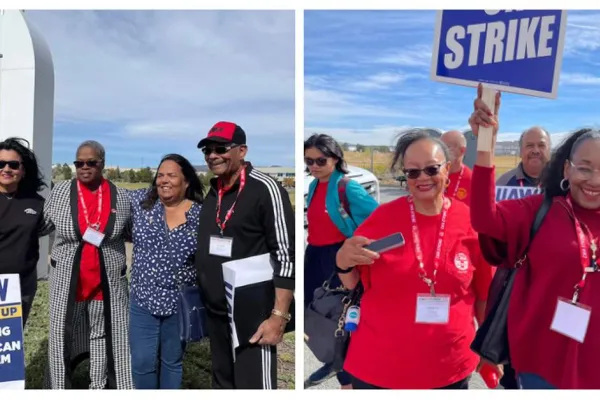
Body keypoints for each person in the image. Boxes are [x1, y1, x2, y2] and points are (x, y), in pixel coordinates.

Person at [334, 129, 497, 389]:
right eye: (412, 172)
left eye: (431, 169)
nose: (422, 178)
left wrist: (489, 349)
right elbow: (353, 283)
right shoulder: (381, 219)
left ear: (447, 169)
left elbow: (483, 296)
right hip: (380, 367)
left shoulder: (471, 222)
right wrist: (342, 260)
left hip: (449, 368)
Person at [468, 85, 600, 389]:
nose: (594, 181)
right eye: (585, 168)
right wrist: (485, 143)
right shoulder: (540, 209)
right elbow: (483, 218)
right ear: (566, 168)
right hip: (542, 363)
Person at [194, 121, 295, 389]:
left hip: (252, 315)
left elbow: (286, 256)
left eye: (220, 148)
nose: (212, 155)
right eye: (207, 150)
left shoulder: (265, 188)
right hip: (216, 311)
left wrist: (278, 317)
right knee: (222, 382)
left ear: (242, 151)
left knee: (253, 386)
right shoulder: (214, 190)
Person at [40, 140, 133, 389]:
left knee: (101, 336)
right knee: (60, 336)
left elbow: (131, 232)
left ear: (102, 163)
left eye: (91, 162)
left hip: (106, 284)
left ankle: (99, 386)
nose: (84, 167)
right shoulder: (59, 193)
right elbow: (41, 225)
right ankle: (58, 388)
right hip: (66, 282)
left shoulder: (120, 196)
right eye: (79, 162)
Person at [303, 134, 378, 389]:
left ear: (335, 158)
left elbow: (378, 219)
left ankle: (349, 376)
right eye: (309, 161)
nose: (313, 166)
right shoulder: (314, 186)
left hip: (337, 256)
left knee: (340, 313)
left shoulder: (347, 186)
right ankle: (335, 358)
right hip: (314, 254)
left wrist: (356, 249)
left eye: (320, 160)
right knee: (313, 310)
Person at [128, 154, 204, 389]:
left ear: (187, 181)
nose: (164, 180)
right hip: (143, 299)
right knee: (142, 362)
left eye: (171, 175)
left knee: (172, 361)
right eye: (160, 175)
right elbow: (109, 197)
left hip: (179, 303)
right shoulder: (141, 203)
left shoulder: (201, 214)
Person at [0, 137, 47, 327]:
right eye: (1, 163)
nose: (6, 169)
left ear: (23, 169)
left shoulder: (37, 203)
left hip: (20, 287)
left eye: (13, 164)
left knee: (8, 349)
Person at [440, 130, 473, 205]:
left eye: (447, 147)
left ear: (462, 150)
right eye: (440, 147)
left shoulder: (473, 181)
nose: (441, 152)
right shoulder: (431, 176)